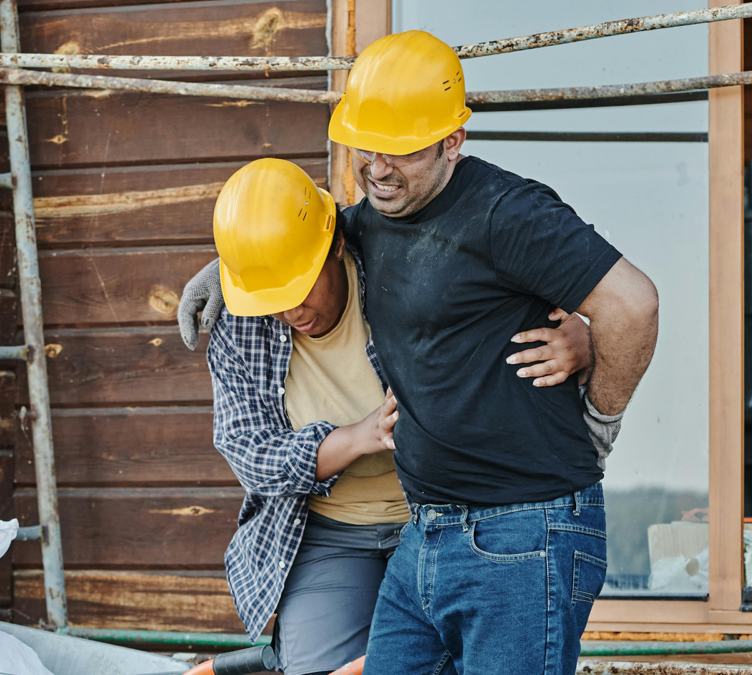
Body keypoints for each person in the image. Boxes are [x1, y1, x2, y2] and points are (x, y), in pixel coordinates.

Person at [181, 30, 659, 675]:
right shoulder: (377, 221)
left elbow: (632, 304)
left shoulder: (506, 212)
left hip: (521, 526)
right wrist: (225, 268)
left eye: (400, 151)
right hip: (431, 531)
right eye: (365, 147)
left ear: (453, 141)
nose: (377, 167)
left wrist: (598, 403)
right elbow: (309, 229)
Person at [204, 158, 617, 675]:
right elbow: (250, 455)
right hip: (328, 530)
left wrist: (586, 336)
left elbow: (497, 301)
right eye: (271, 298)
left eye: (299, 287)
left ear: (333, 247)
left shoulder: (395, 254)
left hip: (437, 513)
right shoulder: (240, 322)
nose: (289, 311)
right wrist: (357, 437)